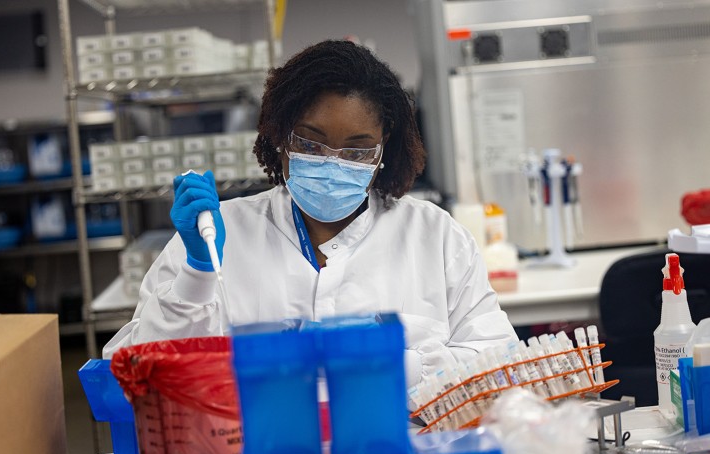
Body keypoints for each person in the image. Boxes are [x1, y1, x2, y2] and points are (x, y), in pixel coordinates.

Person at [103, 39, 518, 388]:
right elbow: (138, 375)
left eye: (356, 149)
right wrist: (196, 275)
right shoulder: (215, 236)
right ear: (281, 134)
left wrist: (398, 364)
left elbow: (500, 363)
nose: (332, 163)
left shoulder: (435, 236)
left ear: (382, 150)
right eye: (312, 144)